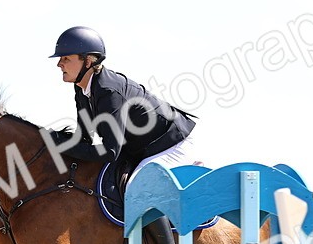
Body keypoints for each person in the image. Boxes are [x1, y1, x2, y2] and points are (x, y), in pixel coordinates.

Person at [51, 25, 201, 182]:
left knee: (138, 185)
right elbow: (83, 138)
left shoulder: (108, 92)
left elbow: (110, 152)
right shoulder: (82, 89)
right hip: (145, 148)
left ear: (88, 61)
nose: (59, 64)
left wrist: (60, 144)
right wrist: (52, 141)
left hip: (173, 144)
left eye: (66, 58)